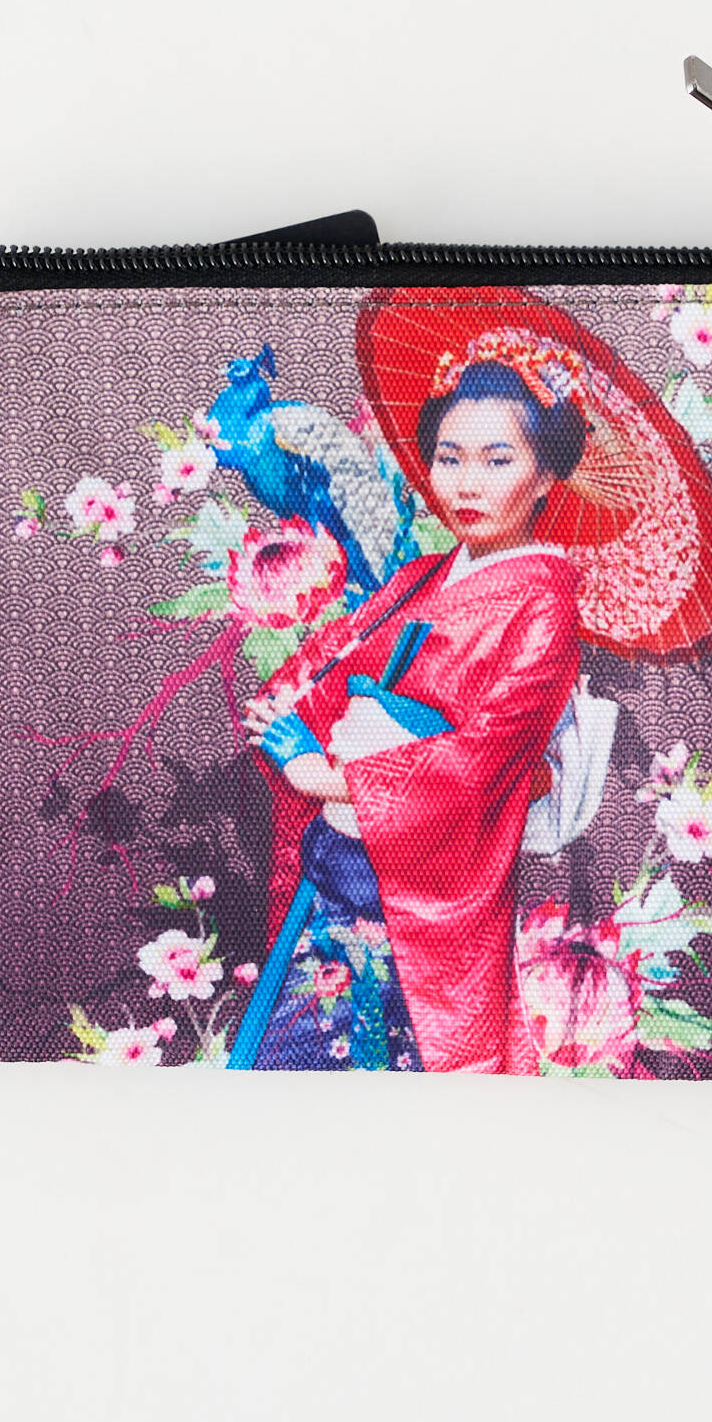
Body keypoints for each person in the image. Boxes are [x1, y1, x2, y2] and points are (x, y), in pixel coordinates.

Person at [231, 355, 588, 1074]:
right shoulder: (420, 576)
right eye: (449, 458)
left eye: (498, 460)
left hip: (424, 901)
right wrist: (291, 704)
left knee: (407, 1098)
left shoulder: (545, 605)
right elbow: (332, 662)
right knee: (287, 1087)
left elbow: (482, 764)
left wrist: (320, 772)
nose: (467, 483)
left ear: (546, 473)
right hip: (338, 872)